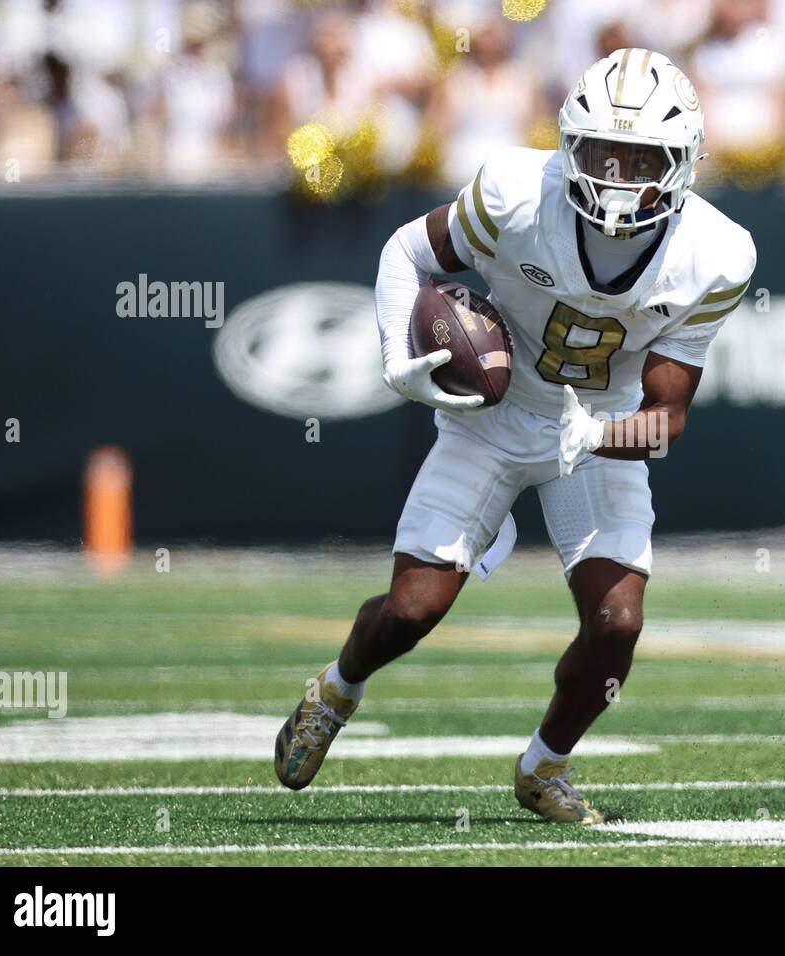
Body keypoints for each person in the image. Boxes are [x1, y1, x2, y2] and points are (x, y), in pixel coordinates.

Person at [274, 49, 756, 824]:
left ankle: (544, 767)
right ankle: (337, 688)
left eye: (644, 159)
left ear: (683, 163)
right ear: (571, 147)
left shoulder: (716, 254)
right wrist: (400, 358)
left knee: (617, 625)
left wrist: (596, 435)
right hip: (493, 417)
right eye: (606, 153)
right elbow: (406, 251)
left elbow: (666, 420)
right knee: (411, 610)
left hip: (597, 428)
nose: (621, 177)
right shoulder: (514, 194)